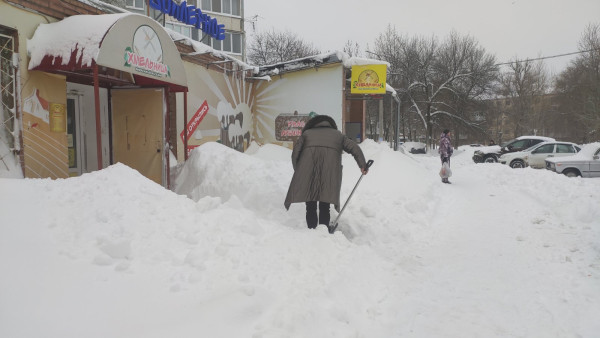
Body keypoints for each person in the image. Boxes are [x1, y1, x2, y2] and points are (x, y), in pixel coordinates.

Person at [284, 115, 368, 229]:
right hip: (329, 174)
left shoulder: (307, 134)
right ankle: (323, 232)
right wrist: (362, 165)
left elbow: (295, 154)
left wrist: (299, 170)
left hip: (308, 173)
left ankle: (312, 230)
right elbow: (354, 148)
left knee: (310, 204)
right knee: (325, 204)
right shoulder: (338, 135)